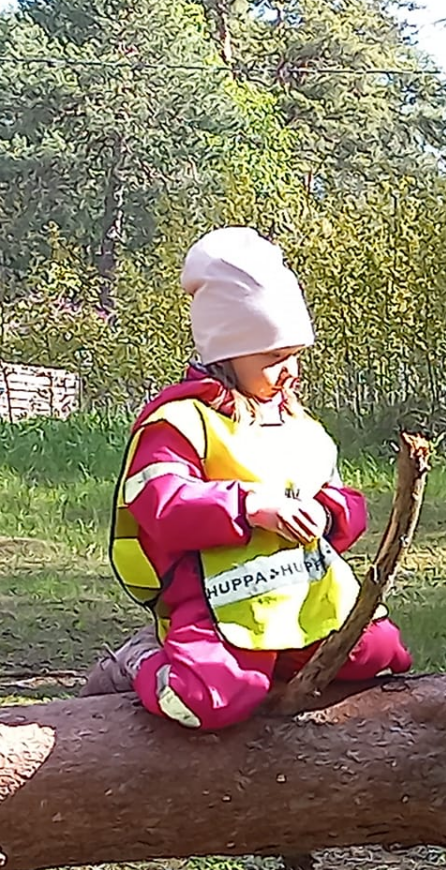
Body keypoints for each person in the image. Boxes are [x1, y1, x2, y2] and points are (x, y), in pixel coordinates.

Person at [93, 227, 410, 730]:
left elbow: (342, 496)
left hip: (303, 593)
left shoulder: (296, 423)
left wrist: (328, 514)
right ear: (227, 355)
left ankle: (279, 661)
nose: (292, 371)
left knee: (381, 654)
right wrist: (250, 506)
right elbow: (162, 505)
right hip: (218, 603)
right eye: (274, 359)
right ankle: (141, 658)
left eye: (296, 355)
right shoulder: (180, 422)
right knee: (205, 699)